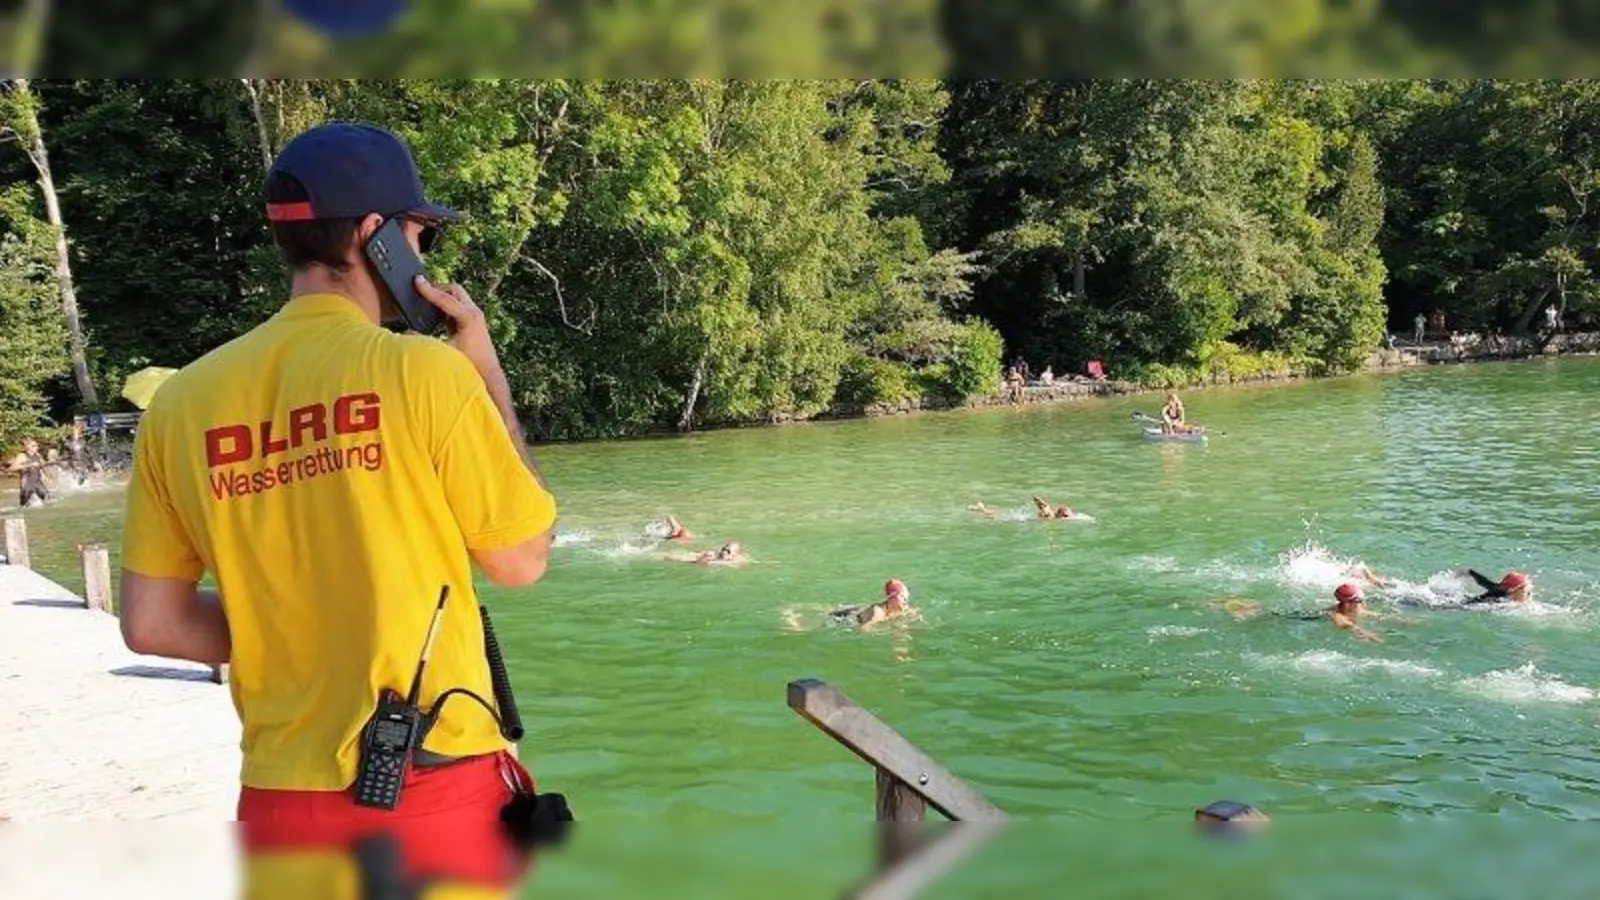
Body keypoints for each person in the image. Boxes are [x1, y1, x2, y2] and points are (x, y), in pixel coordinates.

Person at [116, 123, 558, 899]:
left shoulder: (180, 406)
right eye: (419, 234)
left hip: (280, 803)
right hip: (430, 789)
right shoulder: (425, 373)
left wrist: (289, 630)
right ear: (372, 236)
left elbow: (152, 623)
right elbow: (522, 559)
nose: (423, 257)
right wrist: (486, 370)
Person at [830, 578, 917, 628]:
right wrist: (884, 630)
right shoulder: (878, 612)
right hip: (842, 616)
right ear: (891, 599)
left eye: (906, 596)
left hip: (859, 609)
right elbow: (862, 629)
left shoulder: (901, 608)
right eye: (902, 597)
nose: (905, 600)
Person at [7, 436, 50, 507]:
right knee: (24, 506)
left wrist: (43, 475)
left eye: (36, 446)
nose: (36, 447)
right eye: (33, 446)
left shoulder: (38, 455)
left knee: (48, 501)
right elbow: (11, 468)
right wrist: (29, 465)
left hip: (38, 483)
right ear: (27, 447)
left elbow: (40, 467)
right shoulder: (22, 456)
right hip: (26, 485)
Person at [1462, 569, 1532, 606]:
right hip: (1468, 605)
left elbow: (1483, 581)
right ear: (1512, 591)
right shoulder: (1499, 600)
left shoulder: (1500, 587)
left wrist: (1469, 572)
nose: (1529, 595)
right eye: (1527, 592)